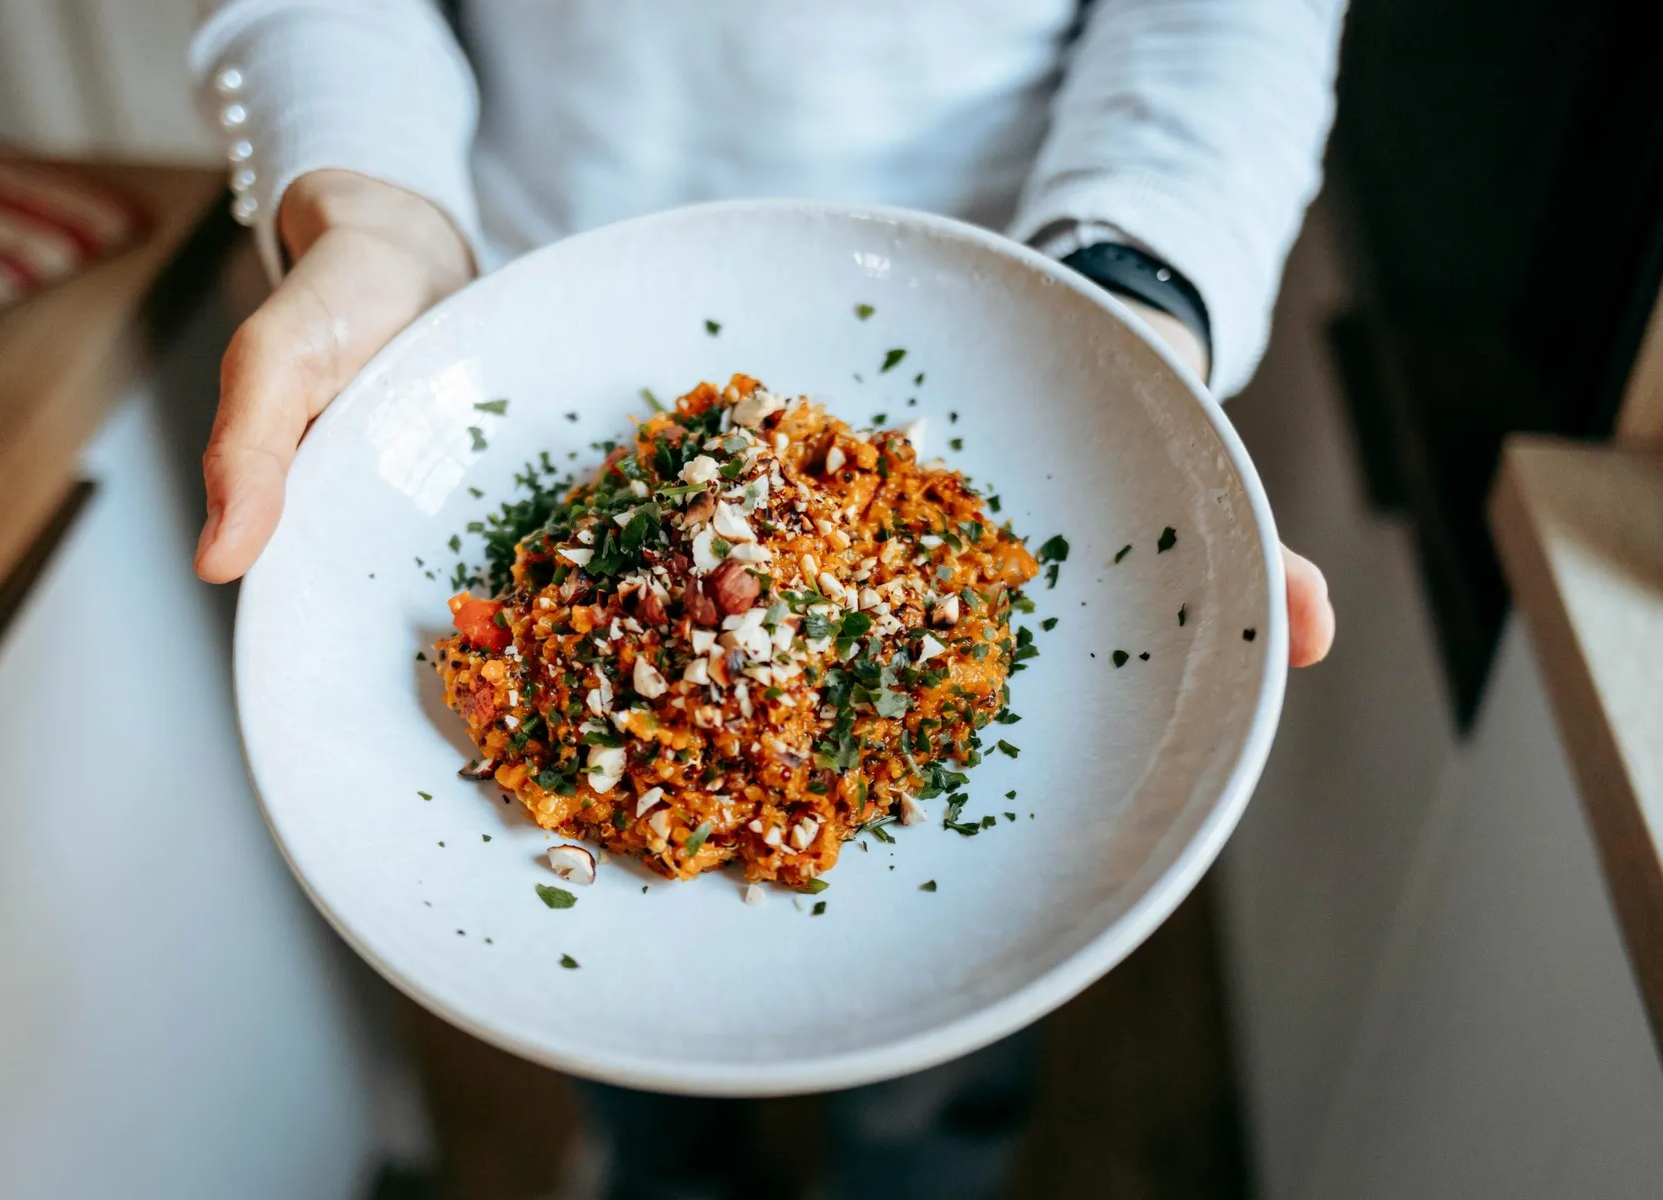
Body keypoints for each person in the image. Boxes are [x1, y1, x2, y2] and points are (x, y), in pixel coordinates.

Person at [188, 3, 1344, 1195]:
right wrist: (372, 216)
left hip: (1009, 304)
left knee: (944, 1056)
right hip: (513, 296)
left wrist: (1129, 307)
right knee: (623, 1040)